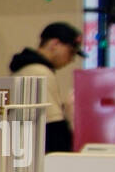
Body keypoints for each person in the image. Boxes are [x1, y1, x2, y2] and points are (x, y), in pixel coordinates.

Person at [8, 21, 86, 153]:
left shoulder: (23, 68)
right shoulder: (40, 72)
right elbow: (54, 129)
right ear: (55, 44)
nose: (71, 59)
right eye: (71, 52)